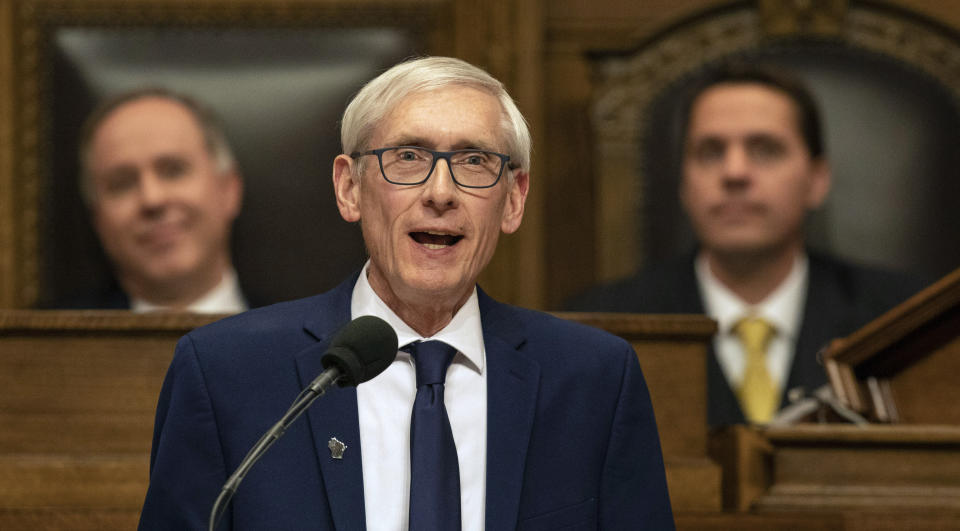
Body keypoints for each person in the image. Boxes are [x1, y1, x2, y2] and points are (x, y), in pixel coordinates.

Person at [138, 57, 674, 529]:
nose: (441, 193)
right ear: (350, 188)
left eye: (474, 161)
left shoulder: (595, 380)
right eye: (410, 157)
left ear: (513, 199)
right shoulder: (225, 373)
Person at [567, 62, 928, 427]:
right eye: (710, 151)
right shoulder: (598, 328)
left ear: (817, 179)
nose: (734, 172)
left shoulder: (904, 324)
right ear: (683, 182)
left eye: (765, 150)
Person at [76, 88, 248, 312]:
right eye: (122, 184)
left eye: (174, 171)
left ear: (228, 189)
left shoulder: (301, 335)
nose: (152, 199)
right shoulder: (43, 342)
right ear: (97, 218)